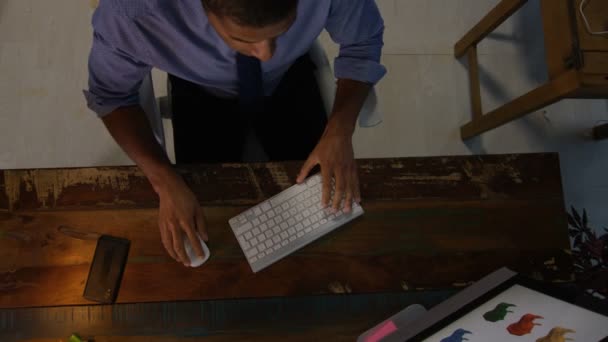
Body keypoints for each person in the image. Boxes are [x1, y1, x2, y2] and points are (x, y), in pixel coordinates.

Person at [84, 0, 386, 266]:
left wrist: (340, 131)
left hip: (289, 79)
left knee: (329, 224)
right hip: (200, 92)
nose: (266, 55)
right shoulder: (133, 10)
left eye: (282, 30)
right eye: (241, 38)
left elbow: (361, 44)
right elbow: (112, 97)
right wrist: (162, 179)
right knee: (211, 230)